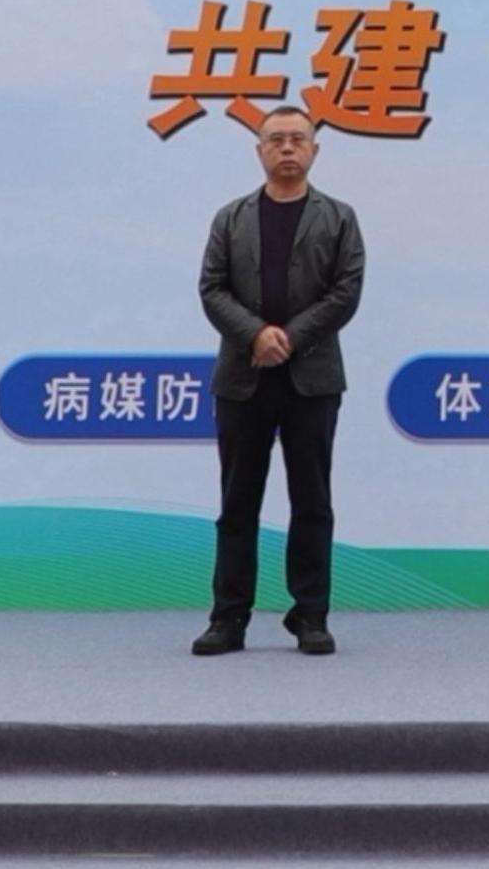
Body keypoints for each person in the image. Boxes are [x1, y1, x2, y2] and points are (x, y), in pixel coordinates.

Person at [195, 110, 367, 657]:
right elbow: (212, 288)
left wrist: (289, 338)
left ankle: (310, 615)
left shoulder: (339, 218)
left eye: (298, 139)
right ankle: (228, 618)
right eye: (276, 140)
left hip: (311, 380)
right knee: (237, 504)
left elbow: (345, 292)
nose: (287, 148)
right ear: (259, 151)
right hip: (242, 379)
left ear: (314, 150)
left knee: (312, 502)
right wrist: (254, 335)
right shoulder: (231, 218)